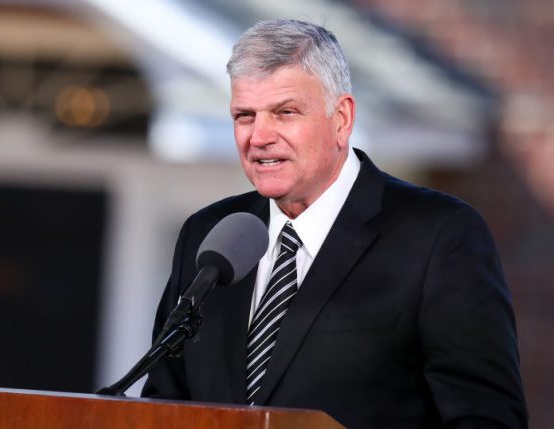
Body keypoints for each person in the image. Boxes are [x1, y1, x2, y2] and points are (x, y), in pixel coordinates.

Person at [141, 19, 527, 429]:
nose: (259, 136)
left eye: (285, 112)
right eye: (244, 115)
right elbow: (164, 404)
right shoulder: (209, 237)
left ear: (341, 118)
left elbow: (487, 419)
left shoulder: (440, 237)